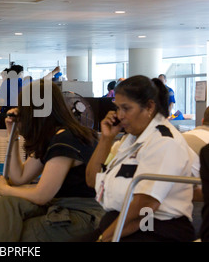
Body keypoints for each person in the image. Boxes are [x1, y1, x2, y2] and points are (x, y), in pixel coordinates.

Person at [0, 80, 104, 242]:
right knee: (6, 204)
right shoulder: (54, 136)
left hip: (82, 215)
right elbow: (19, 177)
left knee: (15, 231)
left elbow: (42, 195)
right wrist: (12, 134)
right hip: (60, 208)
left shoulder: (67, 139)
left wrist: (5, 189)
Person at [83, 75, 197, 242]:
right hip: (122, 225)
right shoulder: (131, 140)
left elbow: (144, 208)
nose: (120, 115)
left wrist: (103, 239)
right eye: (117, 108)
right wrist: (106, 139)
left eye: (126, 108)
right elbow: (92, 181)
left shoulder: (164, 142)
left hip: (153, 230)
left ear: (149, 107)